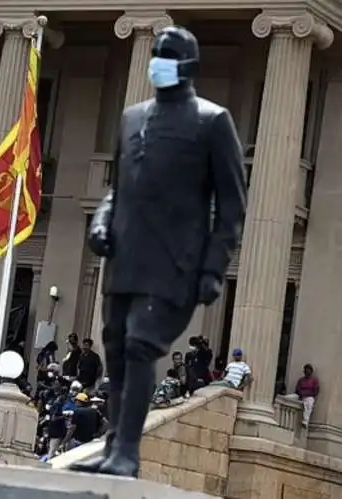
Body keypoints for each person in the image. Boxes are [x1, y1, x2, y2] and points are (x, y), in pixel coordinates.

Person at [71, 25, 246, 478]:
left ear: (187, 65)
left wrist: (213, 268)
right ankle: (113, 447)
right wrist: (102, 220)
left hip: (174, 261)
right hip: (125, 255)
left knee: (139, 345)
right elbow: (117, 186)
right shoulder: (132, 117)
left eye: (167, 55)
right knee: (114, 348)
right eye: (156, 54)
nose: (158, 63)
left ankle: (128, 451)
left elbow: (231, 204)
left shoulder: (212, 121)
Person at [287, 364, 320, 428]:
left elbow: (315, 392)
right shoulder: (301, 380)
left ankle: (305, 421)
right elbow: (297, 389)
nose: (306, 372)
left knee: (309, 403)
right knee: (287, 398)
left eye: (307, 371)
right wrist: (300, 393)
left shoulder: (314, 381)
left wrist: (306, 394)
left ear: (311, 371)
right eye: (305, 371)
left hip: (309, 396)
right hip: (300, 395)